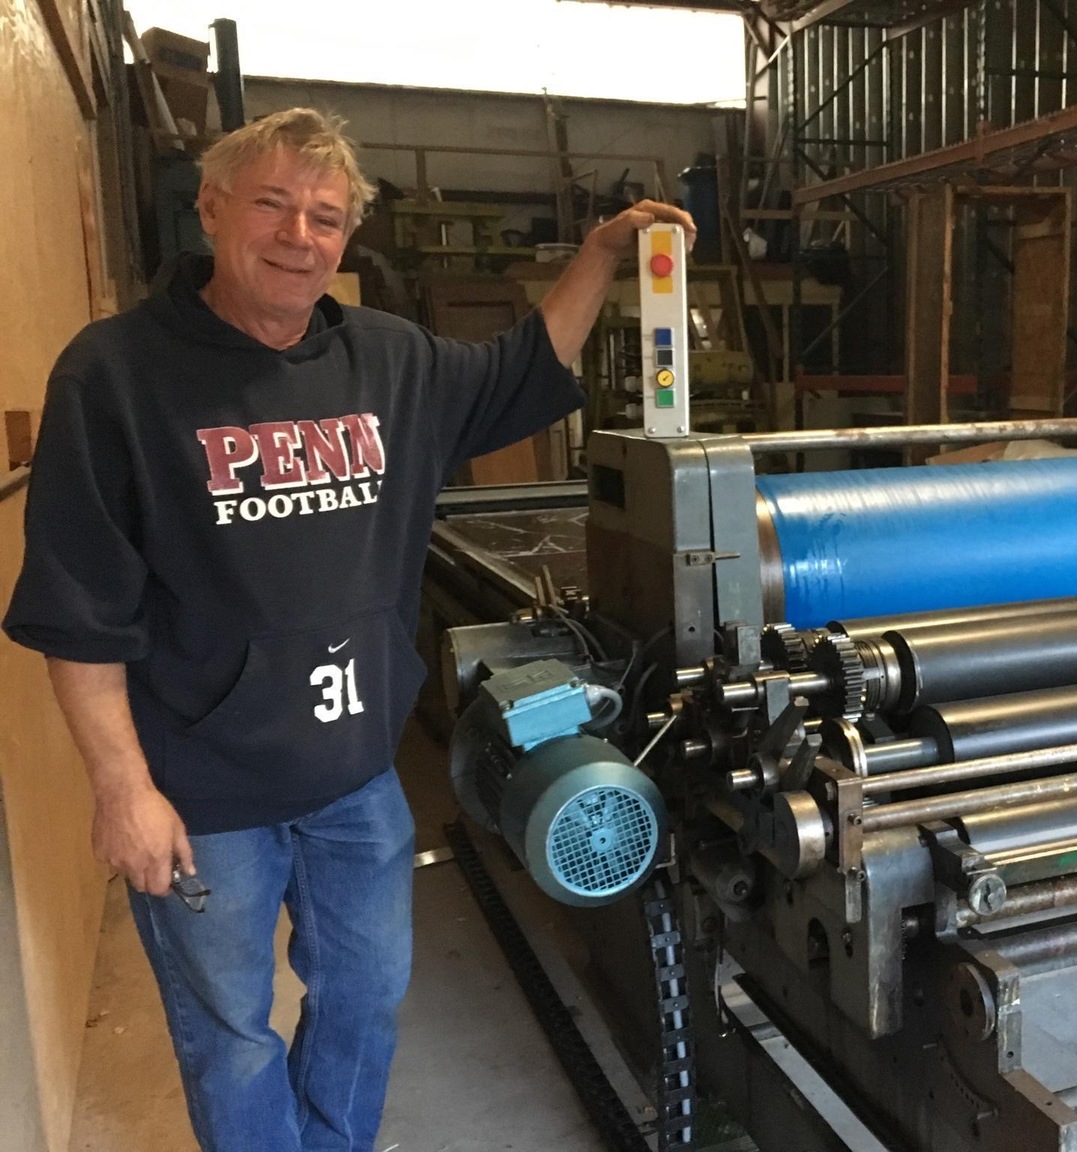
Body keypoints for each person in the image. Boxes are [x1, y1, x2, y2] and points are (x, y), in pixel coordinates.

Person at [3, 107, 694, 1152]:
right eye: (271, 205)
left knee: (365, 1003)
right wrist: (122, 790)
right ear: (211, 209)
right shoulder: (115, 375)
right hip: (203, 797)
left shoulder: (390, 361)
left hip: (357, 782)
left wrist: (599, 256)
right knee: (231, 1038)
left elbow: (520, 367)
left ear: (346, 238)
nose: (299, 236)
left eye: (325, 217)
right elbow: (79, 612)